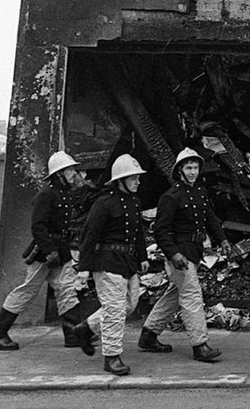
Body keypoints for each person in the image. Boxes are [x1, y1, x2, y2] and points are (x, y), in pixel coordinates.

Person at [137, 147, 231, 362]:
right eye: (188, 167)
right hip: (180, 255)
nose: (192, 172)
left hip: (194, 252)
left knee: (174, 296)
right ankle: (200, 345)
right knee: (192, 295)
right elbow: (161, 230)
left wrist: (223, 239)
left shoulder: (200, 192)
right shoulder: (170, 197)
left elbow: (210, 219)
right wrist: (173, 254)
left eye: (195, 167)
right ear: (179, 170)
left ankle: (149, 335)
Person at [0, 151, 88, 350]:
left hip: (61, 249)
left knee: (67, 289)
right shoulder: (46, 195)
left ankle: (73, 334)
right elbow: (38, 227)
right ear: (58, 174)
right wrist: (50, 250)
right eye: (68, 169)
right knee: (27, 290)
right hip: (45, 251)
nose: (72, 173)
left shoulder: (64, 194)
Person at [71, 153, 149, 376]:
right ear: (121, 179)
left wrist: (143, 257)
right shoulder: (103, 203)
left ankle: (85, 329)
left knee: (129, 305)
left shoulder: (135, 201)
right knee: (114, 310)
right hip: (106, 263)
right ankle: (112, 357)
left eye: (137, 177)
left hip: (128, 262)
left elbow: (138, 233)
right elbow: (89, 236)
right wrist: (84, 268)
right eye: (133, 178)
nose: (137, 181)